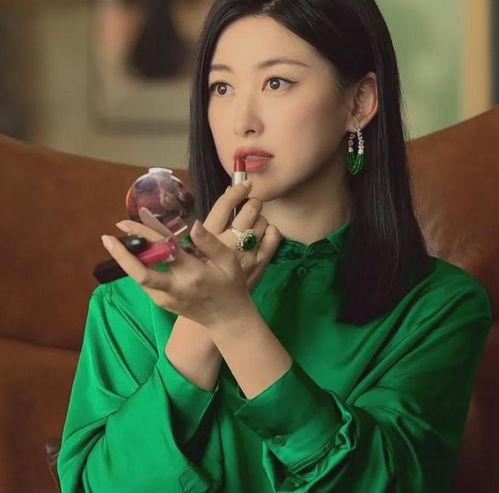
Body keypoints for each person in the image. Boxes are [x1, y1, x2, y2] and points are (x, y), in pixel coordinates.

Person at [57, 1, 493, 492]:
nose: (242, 121)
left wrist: (232, 321)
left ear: (360, 101)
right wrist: (198, 328)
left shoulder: (439, 306)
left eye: (276, 82)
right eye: (222, 88)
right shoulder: (132, 299)